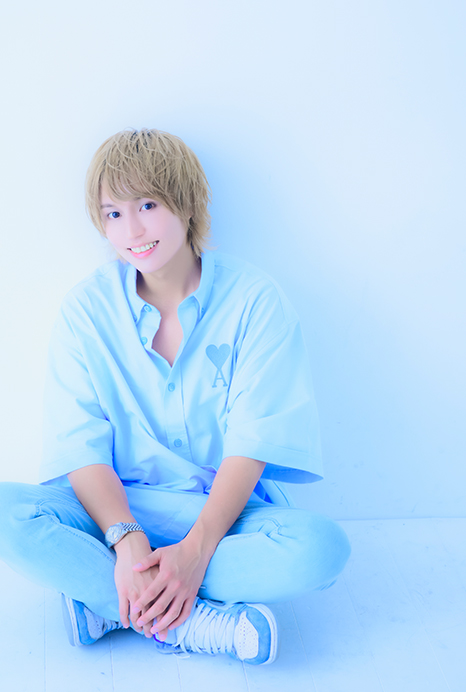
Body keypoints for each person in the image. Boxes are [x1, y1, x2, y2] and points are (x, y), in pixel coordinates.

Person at [0, 129, 350, 665]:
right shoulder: (85, 311)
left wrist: (197, 549)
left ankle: (108, 603)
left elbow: (254, 442)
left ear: (186, 204)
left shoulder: (254, 301)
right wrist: (126, 541)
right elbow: (79, 447)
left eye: (147, 205)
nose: (132, 231)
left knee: (322, 550)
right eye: (113, 213)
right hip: (115, 512)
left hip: (224, 515)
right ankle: (197, 625)